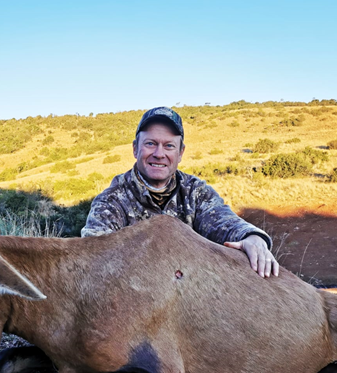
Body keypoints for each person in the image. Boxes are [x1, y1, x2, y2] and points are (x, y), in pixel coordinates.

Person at [81, 106, 279, 278]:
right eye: (150, 143)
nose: (159, 154)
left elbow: (224, 220)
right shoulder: (110, 201)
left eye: (168, 146)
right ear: (135, 149)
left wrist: (253, 238)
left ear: (180, 153)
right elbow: (93, 255)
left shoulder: (196, 192)